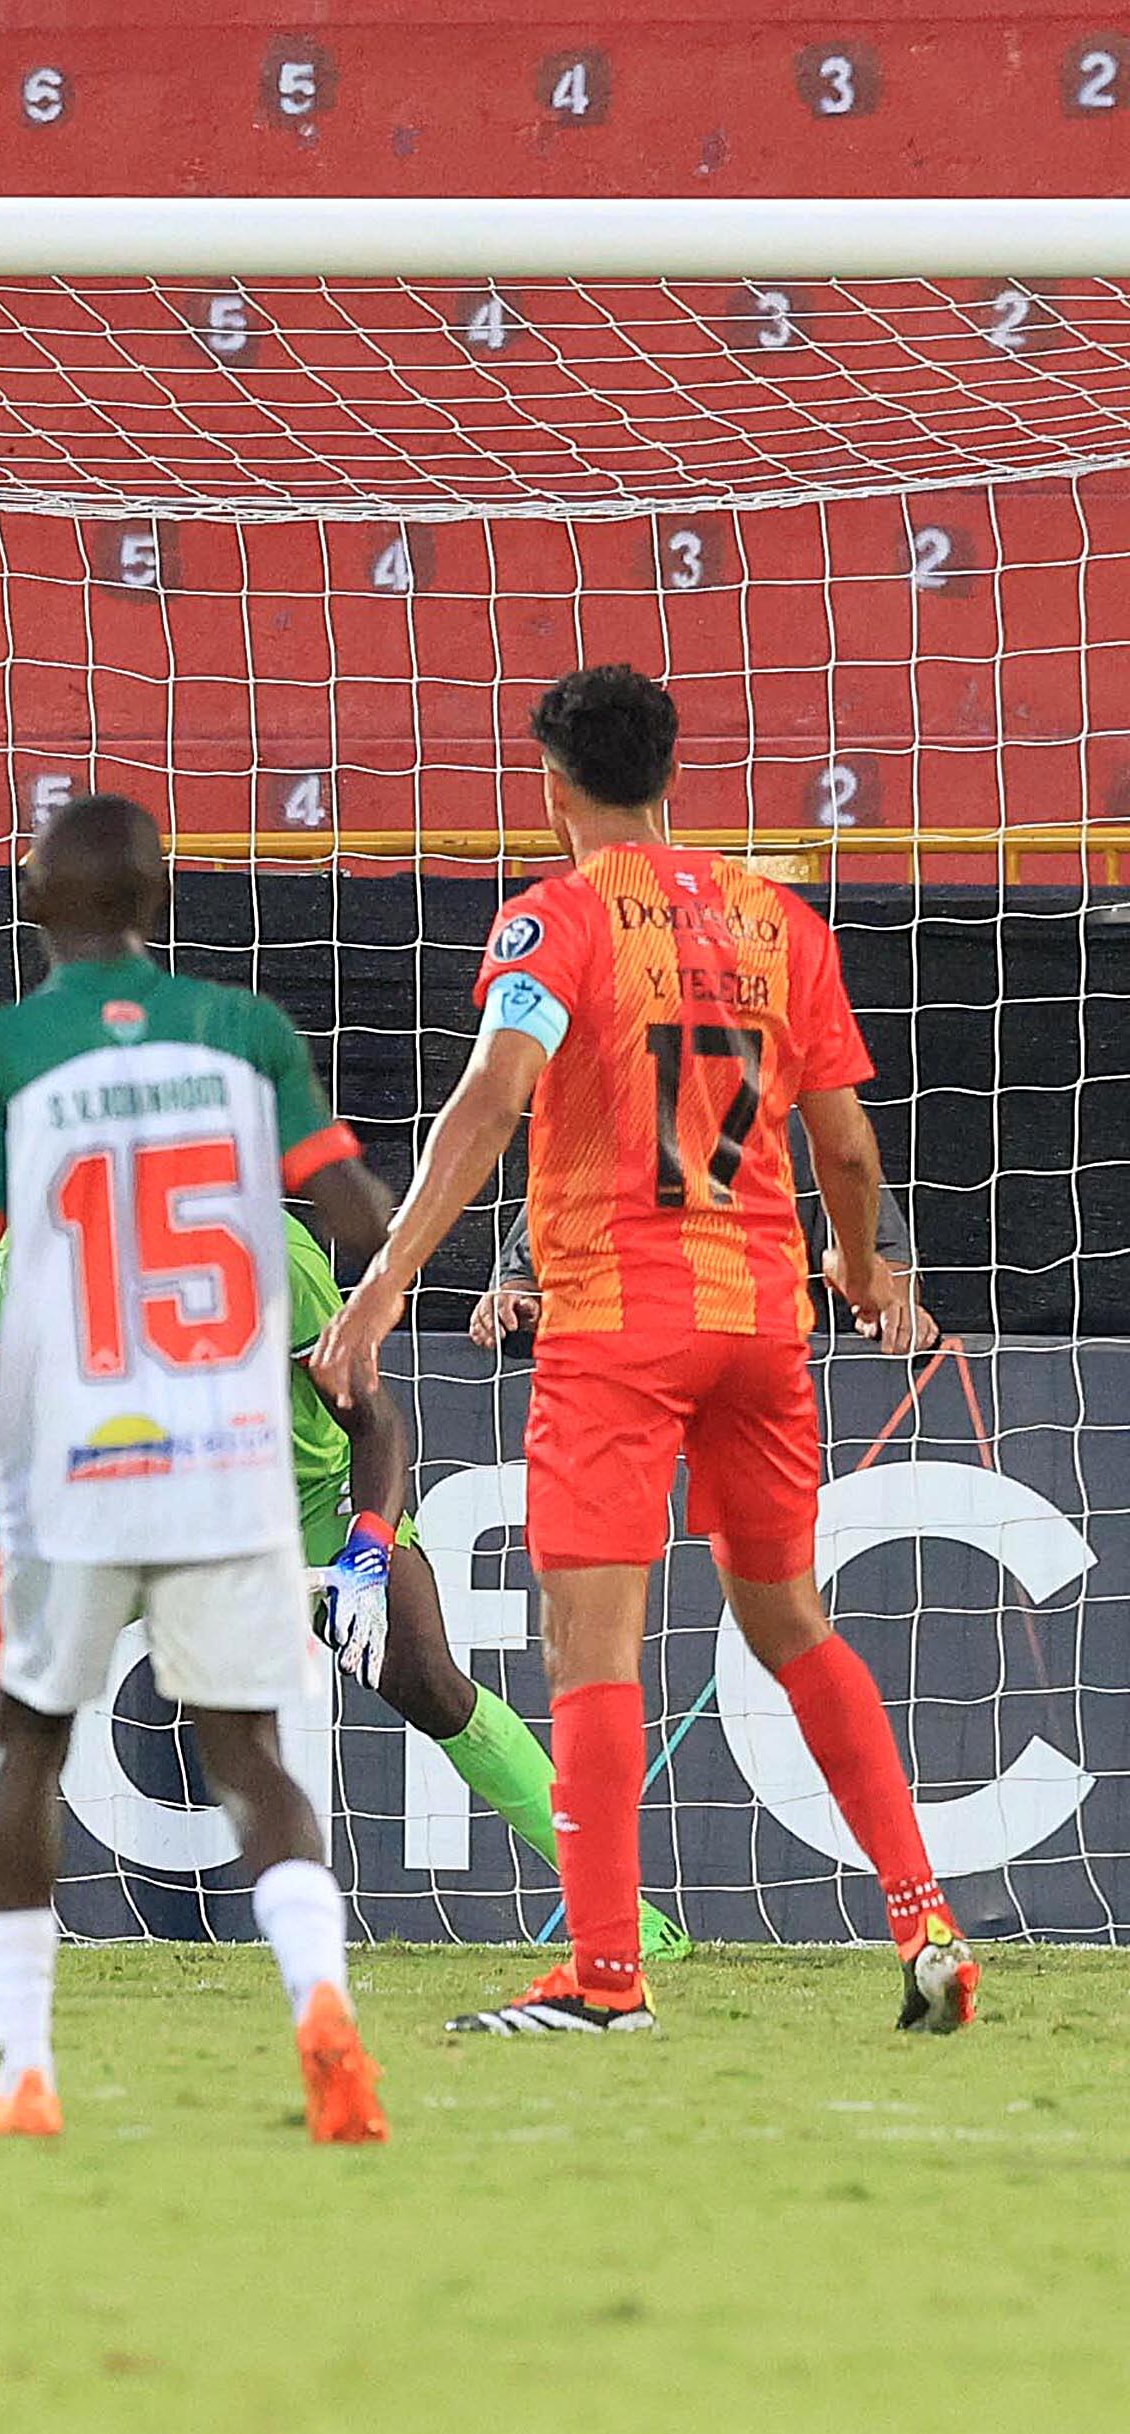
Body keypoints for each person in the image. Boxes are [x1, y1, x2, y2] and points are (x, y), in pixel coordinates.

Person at [313, 663, 972, 2038]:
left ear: (553, 782)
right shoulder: (778, 919)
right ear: (669, 774)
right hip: (759, 1323)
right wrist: (854, 1261)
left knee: (590, 1647)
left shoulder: (551, 923)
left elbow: (494, 1098)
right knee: (792, 1621)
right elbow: (844, 1142)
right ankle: (926, 1915)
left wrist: (379, 1288)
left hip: (616, 1321)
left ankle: (605, 1977)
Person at [0, 1198, 685, 1962]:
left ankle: (617, 1903)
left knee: (426, 1678)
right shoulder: (34, 1250)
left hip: (303, 1501)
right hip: (133, 1500)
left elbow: (372, 1419)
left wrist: (369, 1545)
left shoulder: (267, 1249)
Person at [0, 795, 399, 2143]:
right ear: (162, 900)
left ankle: (26, 2067)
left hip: (72, 1462)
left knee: (28, 1747)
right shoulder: (249, 1036)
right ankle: (321, 2008)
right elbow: (366, 1224)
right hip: (227, 1461)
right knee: (248, 1748)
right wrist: (345, 1347)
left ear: (34, 899)